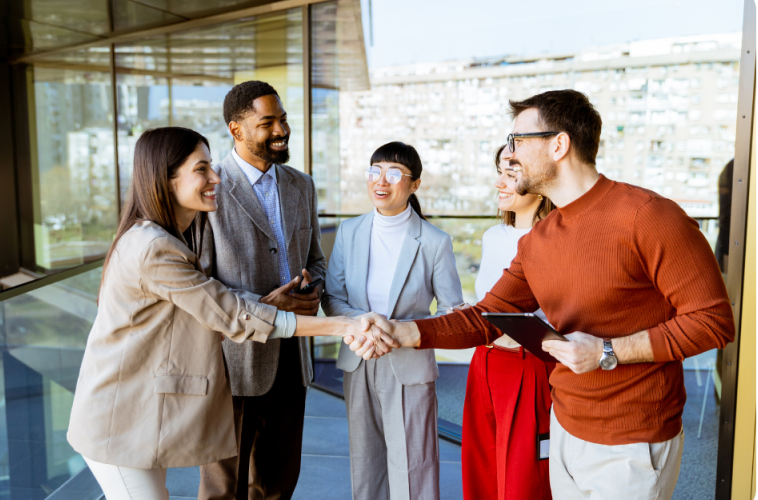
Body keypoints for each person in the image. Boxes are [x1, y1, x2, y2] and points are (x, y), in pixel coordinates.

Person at [347, 90, 736, 500]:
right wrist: (401, 330)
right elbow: (485, 317)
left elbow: (713, 323)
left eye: (518, 141)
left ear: (559, 144)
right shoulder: (539, 240)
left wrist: (609, 351)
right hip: (564, 428)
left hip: (632, 441)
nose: (509, 154)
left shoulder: (650, 216)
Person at [67, 127, 391, 500]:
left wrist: (274, 305)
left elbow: (215, 306)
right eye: (201, 169)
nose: (216, 177)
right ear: (166, 180)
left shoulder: (160, 239)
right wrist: (344, 324)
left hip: (136, 419)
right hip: (118, 422)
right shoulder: (154, 248)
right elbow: (228, 311)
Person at [196, 81, 323, 500]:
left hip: (293, 356)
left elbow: (316, 259)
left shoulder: (301, 185)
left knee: (278, 481)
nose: (281, 129)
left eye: (282, 119)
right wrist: (269, 305)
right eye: (267, 122)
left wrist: (312, 288)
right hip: (233, 359)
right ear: (237, 130)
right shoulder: (209, 190)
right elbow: (202, 284)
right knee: (224, 488)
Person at [322, 142, 464, 500]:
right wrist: (363, 326)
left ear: (414, 184)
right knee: (365, 462)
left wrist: (405, 334)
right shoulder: (350, 230)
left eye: (394, 173)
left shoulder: (434, 241)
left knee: (413, 464)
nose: (381, 181)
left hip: (409, 363)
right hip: (358, 358)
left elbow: (452, 312)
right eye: (375, 170)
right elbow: (332, 297)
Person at [461, 144, 557, 500]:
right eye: (499, 172)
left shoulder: (554, 242)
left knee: (524, 479)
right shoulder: (492, 237)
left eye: (512, 174)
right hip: (483, 362)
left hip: (529, 366)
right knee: (481, 470)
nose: (500, 183)